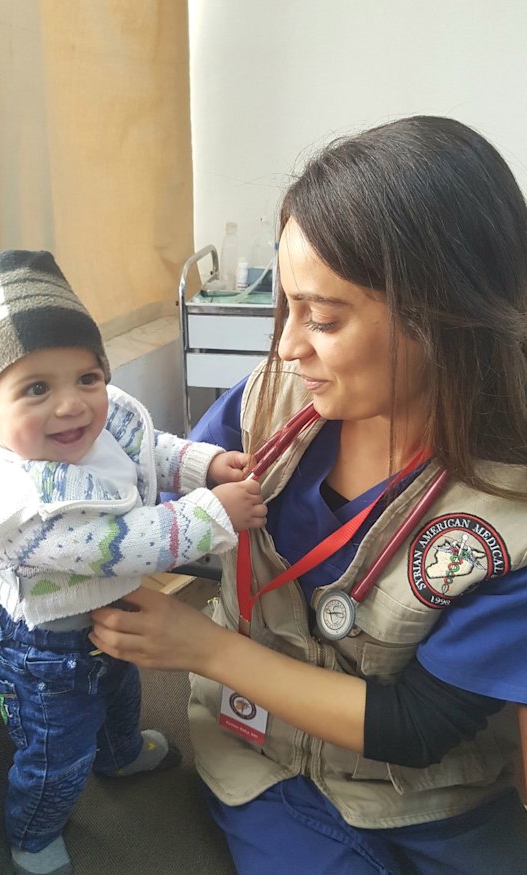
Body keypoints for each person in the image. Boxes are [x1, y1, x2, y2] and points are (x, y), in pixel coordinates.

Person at [87, 117, 527, 874]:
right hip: (261, 755)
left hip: (431, 791)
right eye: (285, 306)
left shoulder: (507, 515)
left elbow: (419, 724)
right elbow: (141, 487)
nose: (289, 345)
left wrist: (199, 646)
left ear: (442, 316)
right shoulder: (275, 399)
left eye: (322, 318)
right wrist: (7, 537)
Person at [0, 249, 266, 875]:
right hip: (44, 656)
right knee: (54, 754)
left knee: (123, 694)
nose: (73, 406)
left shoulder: (101, 413)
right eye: (36, 388)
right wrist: (213, 512)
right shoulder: (24, 503)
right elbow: (121, 542)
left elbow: (146, 448)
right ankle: (33, 832)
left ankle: (119, 754)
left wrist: (200, 463)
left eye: (86, 377)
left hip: (110, 618)